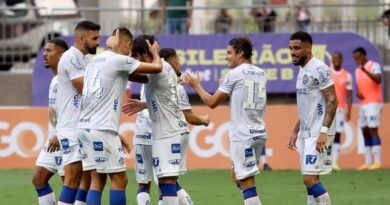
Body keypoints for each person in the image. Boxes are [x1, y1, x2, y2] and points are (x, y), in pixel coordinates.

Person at [77, 28, 163, 205]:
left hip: (84, 128)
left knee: (97, 179)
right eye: (131, 50)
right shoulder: (119, 60)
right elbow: (157, 68)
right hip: (102, 128)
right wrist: (155, 53)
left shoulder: (94, 61)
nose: (131, 54)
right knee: (120, 180)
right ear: (129, 44)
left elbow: (141, 78)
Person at [183, 37, 267, 205]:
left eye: (229, 52)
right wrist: (230, 88)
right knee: (237, 176)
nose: (226, 56)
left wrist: (196, 85)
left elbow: (212, 102)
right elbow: (245, 93)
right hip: (259, 132)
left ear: (240, 52)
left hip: (242, 135)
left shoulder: (234, 74)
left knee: (247, 182)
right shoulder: (261, 73)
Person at [123, 48, 209, 205]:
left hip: (143, 133)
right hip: (166, 132)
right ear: (172, 62)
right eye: (178, 60)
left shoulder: (147, 80)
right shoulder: (176, 86)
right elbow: (189, 116)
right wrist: (204, 120)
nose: (180, 63)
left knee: (146, 183)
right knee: (168, 180)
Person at [288, 31, 337, 205]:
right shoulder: (302, 71)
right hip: (306, 132)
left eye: (297, 48)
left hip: (318, 132)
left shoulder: (319, 68)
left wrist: (323, 132)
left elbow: (333, 99)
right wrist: (296, 131)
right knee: (309, 179)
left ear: (309, 47)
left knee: (309, 179)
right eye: (290, 48)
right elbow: (306, 107)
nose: (293, 52)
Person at [56, 20, 100, 205]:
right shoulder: (71, 58)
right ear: (81, 38)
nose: (98, 42)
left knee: (87, 178)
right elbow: (85, 90)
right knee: (72, 180)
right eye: (94, 38)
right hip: (70, 128)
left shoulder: (85, 58)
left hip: (81, 127)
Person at [32, 39, 68, 205]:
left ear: (61, 55)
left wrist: (60, 135)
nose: (44, 54)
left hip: (64, 140)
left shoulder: (67, 80)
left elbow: (74, 112)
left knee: (69, 186)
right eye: (44, 50)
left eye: (49, 51)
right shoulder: (54, 80)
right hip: (52, 141)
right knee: (39, 179)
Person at [353, 47, 383, 171]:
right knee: (364, 131)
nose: (357, 60)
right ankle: (368, 162)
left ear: (364, 56)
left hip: (374, 103)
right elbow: (361, 87)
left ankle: (378, 162)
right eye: (355, 58)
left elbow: (378, 79)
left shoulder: (373, 65)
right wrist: (358, 94)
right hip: (363, 104)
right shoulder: (357, 71)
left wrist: (365, 70)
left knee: (373, 130)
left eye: (359, 57)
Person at [330, 52, 353, 171]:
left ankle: (335, 162)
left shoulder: (347, 75)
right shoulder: (327, 73)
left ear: (342, 59)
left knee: (337, 134)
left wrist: (349, 110)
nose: (336, 60)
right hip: (327, 108)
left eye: (338, 58)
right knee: (326, 134)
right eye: (334, 58)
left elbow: (349, 95)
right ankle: (326, 161)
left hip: (340, 109)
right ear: (332, 60)